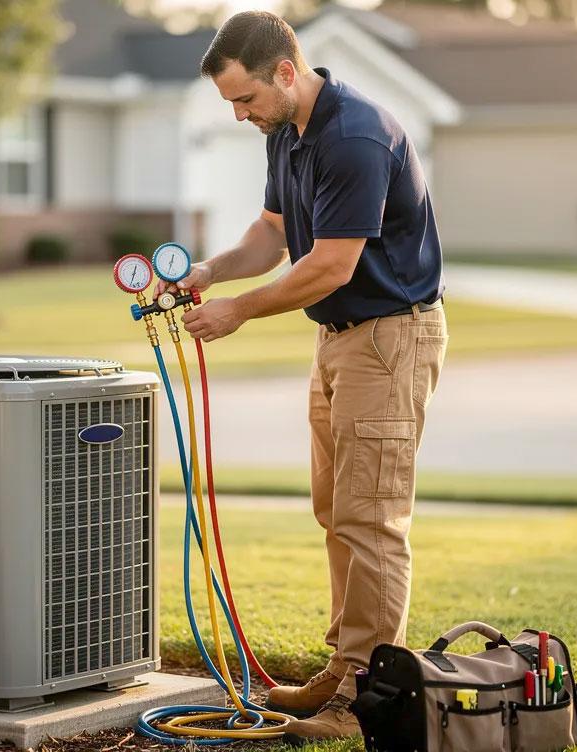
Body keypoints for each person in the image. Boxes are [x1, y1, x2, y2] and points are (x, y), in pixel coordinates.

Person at [165, 10, 447, 742]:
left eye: (246, 99)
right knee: (336, 510)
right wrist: (206, 275)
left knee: (372, 520)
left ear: (285, 73)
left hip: (390, 338)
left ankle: (366, 703)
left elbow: (330, 263)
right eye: (230, 103)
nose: (239, 115)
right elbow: (271, 233)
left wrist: (239, 313)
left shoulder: (352, 135)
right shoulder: (287, 132)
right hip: (341, 338)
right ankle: (342, 670)